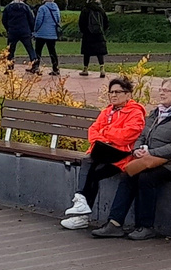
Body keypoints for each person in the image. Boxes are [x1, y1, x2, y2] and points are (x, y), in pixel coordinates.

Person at [90, 78, 171, 240]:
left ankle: (145, 226)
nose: (161, 92)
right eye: (161, 89)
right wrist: (138, 149)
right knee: (128, 173)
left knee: (146, 178)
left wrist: (153, 152)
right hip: (151, 158)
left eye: (166, 90)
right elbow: (142, 135)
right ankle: (115, 223)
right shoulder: (157, 112)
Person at [60, 77, 146, 229]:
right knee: (92, 169)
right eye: (111, 92)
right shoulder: (107, 111)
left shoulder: (135, 113)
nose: (113, 95)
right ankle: (82, 210)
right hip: (103, 153)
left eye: (118, 92)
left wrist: (106, 133)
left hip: (121, 156)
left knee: (89, 164)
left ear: (128, 94)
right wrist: (106, 138)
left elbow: (126, 136)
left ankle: (81, 206)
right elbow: (93, 131)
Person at [32, 0, 63, 75]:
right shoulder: (56, 8)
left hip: (41, 33)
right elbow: (58, 20)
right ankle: (55, 69)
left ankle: (36, 67)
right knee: (52, 51)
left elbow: (38, 20)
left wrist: (35, 30)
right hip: (52, 33)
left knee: (38, 51)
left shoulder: (42, 8)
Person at [2, 0, 36, 67]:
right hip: (24, 31)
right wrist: (31, 30)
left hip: (13, 31)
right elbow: (31, 19)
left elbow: (4, 20)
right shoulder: (26, 7)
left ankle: (10, 66)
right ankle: (35, 65)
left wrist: (8, 28)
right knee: (30, 49)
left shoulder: (8, 8)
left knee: (10, 50)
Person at [77, 0, 109, 75]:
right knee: (99, 52)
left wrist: (84, 31)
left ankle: (85, 69)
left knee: (86, 52)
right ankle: (102, 69)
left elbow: (81, 22)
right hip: (99, 34)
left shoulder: (85, 9)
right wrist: (101, 30)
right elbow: (106, 23)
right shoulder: (101, 10)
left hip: (88, 34)